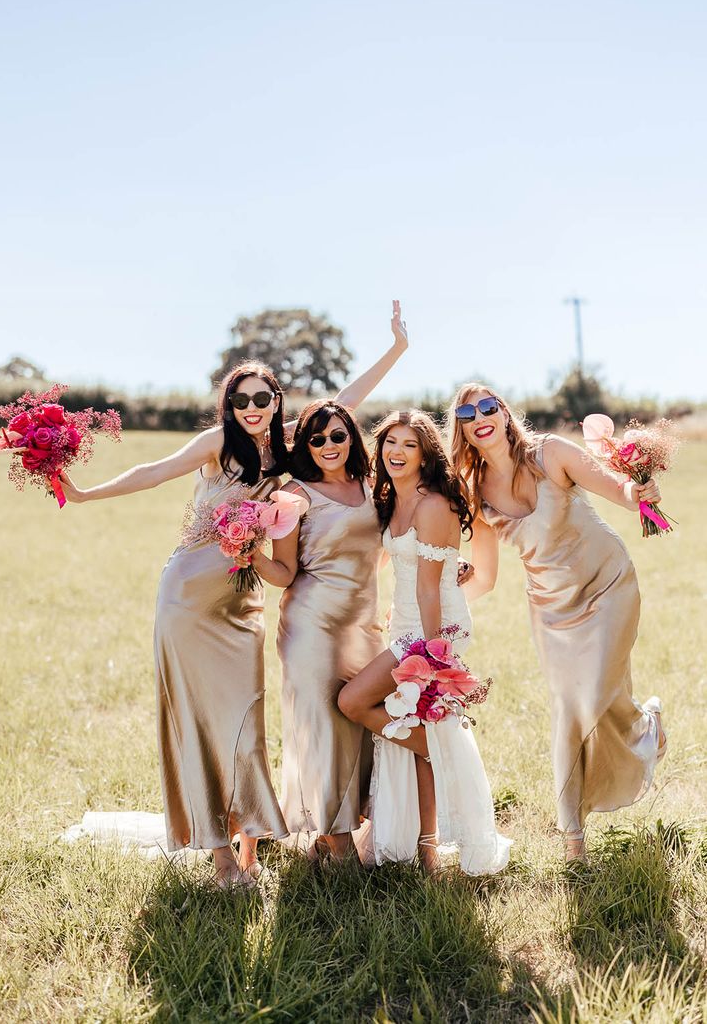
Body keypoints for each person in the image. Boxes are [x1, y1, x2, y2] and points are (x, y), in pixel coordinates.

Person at [55, 304, 409, 888]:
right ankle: (223, 860)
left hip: (242, 603)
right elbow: (152, 470)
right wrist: (86, 494)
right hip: (190, 596)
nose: (251, 409)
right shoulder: (218, 443)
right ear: (229, 405)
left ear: (276, 404)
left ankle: (249, 841)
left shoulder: (288, 445)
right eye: (241, 400)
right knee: (201, 719)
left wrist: (395, 349)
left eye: (262, 400)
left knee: (244, 723)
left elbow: (345, 402)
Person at [448, 383, 666, 861]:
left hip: (607, 584)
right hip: (551, 609)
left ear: (504, 414)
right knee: (569, 710)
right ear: (462, 428)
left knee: (595, 696)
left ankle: (647, 728)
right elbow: (484, 577)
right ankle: (573, 838)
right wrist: (434, 596)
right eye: (467, 413)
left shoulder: (551, 453)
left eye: (488, 406)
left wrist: (639, 489)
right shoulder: (474, 491)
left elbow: (619, 491)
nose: (480, 416)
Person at [338, 411, 511, 875]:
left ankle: (437, 748)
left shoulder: (433, 504)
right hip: (407, 625)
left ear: (425, 453)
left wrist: (433, 657)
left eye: (409, 445)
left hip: (432, 629)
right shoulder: (390, 498)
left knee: (353, 701)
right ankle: (428, 850)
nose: (396, 452)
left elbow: (429, 587)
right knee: (414, 732)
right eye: (390, 442)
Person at [251, 400, 384, 861]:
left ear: (352, 437)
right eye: (317, 439)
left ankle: (343, 831)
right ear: (305, 446)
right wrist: (245, 549)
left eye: (338, 436)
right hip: (312, 627)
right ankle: (336, 839)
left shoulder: (371, 486)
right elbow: (285, 572)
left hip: (364, 627)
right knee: (323, 727)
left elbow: (383, 550)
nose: (329, 445)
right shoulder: (293, 495)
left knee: (362, 727)